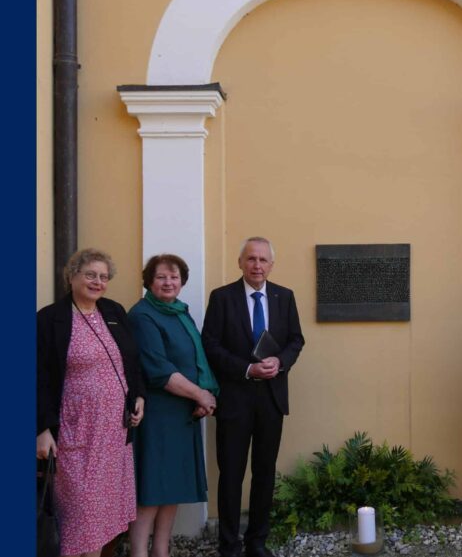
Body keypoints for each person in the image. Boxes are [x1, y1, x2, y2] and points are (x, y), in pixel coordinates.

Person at [36, 248, 146, 557]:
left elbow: (131, 360)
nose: (97, 282)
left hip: (113, 432)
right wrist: (41, 428)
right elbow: (36, 377)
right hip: (74, 432)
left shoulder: (113, 311)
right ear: (71, 277)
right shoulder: (49, 319)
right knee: (79, 510)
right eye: (90, 275)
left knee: (102, 514)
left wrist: (138, 396)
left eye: (103, 276)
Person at [201, 237, 306, 557]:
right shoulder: (222, 298)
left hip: (271, 399)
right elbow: (211, 345)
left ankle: (257, 541)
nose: (257, 265)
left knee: (264, 471)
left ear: (271, 265)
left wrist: (281, 361)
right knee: (231, 472)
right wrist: (247, 368)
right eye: (251, 259)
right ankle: (229, 544)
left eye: (263, 260)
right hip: (235, 399)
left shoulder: (283, 296)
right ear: (240, 262)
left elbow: (296, 339)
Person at [127, 254, 220, 557]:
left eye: (174, 277)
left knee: (172, 489)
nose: (169, 282)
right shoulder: (143, 316)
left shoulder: (180, 312)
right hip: (159, 415)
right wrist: (200, 395)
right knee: (152, 490)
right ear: (149, 282)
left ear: (182, 281)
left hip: (183, 414)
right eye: (161, 277)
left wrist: (204, 394)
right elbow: (158, 370)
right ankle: (139, 552)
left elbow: (197, 359)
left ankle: (162, 551)